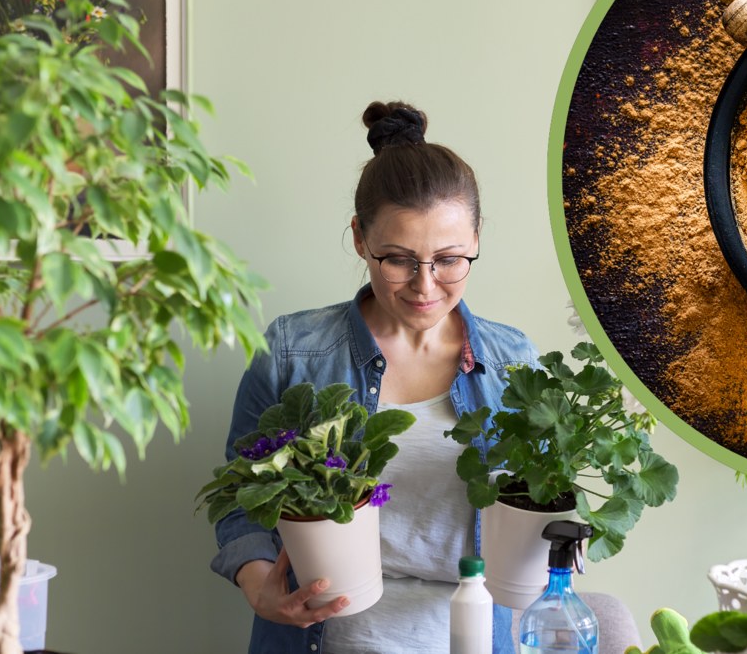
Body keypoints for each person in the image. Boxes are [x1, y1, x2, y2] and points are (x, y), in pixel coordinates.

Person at [211, 100, 539, 653]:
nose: (425, 284)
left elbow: (542, 506)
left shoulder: (515, 363)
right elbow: (240, 494)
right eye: (399, 258)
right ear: (361, 238)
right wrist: (257, 585)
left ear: (477, 238)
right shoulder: (294, 352)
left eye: (450, 258)